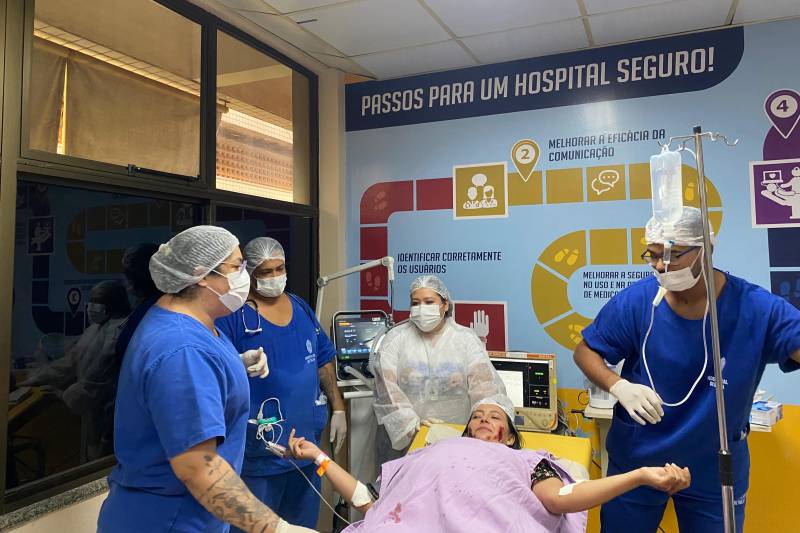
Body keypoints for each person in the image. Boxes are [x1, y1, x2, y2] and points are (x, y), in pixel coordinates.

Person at [573, 206, 800, 532]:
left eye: (673, 254)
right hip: (639, 458)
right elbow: (586, 351)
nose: (660, 265)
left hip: (714, 466)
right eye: (653, 255)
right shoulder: (638, 302)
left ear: (706, 249)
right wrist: (618, 386)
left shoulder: (755, 308)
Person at [97, 226, 313, 533]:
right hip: (169, 520)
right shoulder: (183, 349)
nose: (244, 276)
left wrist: (232, 366)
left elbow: (182, 384)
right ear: (201, 275)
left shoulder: (193, 324)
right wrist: (275, 528)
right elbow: (198, 468)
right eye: (236, 266)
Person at [286, 394, 691, 533]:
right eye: (476, 416)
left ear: (509, 436)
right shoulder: (428, 453)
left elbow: (562, 499)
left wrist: (637, 476)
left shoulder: (529, 461)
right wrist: (318, 457)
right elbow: (370, 503)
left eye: (494, 417)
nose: (483, 420)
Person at [216, 236, 345, 530]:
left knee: (302, 527)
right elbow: (213, 373)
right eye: (265, 272)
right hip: (259, 457)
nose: (275, 277)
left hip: (305, 450)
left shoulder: (300, 307)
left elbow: (323, 359)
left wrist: (338, 408)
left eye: (279, 269)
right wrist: (236, 363)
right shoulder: (232, 316)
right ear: (249, 274)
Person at [373, 275, 506, 459]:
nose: (421, 308)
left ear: (445, 305)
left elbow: (485, 389)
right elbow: (386, 390)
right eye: (415, 303)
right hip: (406, 441)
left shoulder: (465, 339)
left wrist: (485, 427)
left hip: (457, 437)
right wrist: (412, 425)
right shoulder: (395, 339)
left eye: (429, 302)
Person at [22, 280, 131, 460]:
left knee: (101, 462)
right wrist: (37, 377)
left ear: (113, 302)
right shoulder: (97, 328)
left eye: (97, 300)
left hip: (107, 415)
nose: (92, 306)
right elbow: (72, 360)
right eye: (92, 300)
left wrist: (62, 394)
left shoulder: (117, 333)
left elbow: (94, 383)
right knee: (92, 456)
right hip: (93, 414)